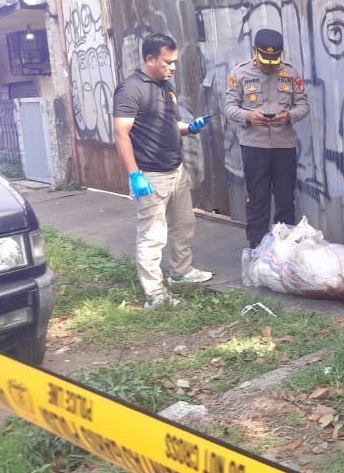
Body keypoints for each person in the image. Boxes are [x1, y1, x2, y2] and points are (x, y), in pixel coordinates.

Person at [113, 33, 214, 309]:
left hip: (176, 169)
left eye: (174, 62)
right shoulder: (131, 89)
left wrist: (190, 128)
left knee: (184, 224)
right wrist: (135, 174)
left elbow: (172, 124)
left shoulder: (166, 86)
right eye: (167, 62)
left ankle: (181, 272)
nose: (173, 67)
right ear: (150, 59)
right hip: (151, 175)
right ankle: (155, 294)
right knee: (153, 235)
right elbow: (121, 133)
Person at [223, 28, 311, 248]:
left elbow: (303, 105)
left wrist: (289, 116)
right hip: (254, 147)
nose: (269, 66)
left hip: (284, 147)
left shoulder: (290, 73)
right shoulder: (240, 73)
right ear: (255, 50)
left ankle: (285, 249)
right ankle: (257, 249)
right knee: (257, 199)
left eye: (273, 61)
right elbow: (230, 107)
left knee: (285, 200)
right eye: (265, 62)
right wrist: (249, 116)